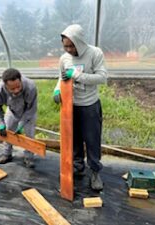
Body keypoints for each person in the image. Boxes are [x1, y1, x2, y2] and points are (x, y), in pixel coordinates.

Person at [53, 24, 108, 191]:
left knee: (92, 139)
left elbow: (102, 77)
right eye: (65, 46)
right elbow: (61, 77)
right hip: (71, 105)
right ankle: (77, 166)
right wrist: (57, 89)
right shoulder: (64, 59)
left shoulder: (95, 53)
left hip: (89, 105)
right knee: (74, 138)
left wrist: (76, 75)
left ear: (80, 42)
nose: (68, 49)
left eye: (71, 45)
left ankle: (95, 172)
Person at [0, 68, 37, 168]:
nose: (16, 90)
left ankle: (29, 157)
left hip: (28, 112)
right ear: (5, 85)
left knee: (29, 134)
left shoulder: (30, 87)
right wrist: (1, 122)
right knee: (7, 131)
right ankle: (7, 154)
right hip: (12, 110)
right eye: (12, 89)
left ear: (20, 80)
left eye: (18, 87)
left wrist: (21, 124)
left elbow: (31, 109)